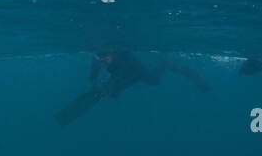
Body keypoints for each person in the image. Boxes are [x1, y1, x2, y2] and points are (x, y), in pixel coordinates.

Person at [55, 48, 209, 126]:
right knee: (112, 90)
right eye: (99, 60)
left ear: (110, 56)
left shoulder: (122, 59)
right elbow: (93, 75)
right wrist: (95, 85)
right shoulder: (98, 60)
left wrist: (112, 88)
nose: (101, 63)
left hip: (136, 71)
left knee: (154, 81)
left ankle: (164, 64)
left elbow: (126, 77)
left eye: (104, 60)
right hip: (121, 74)